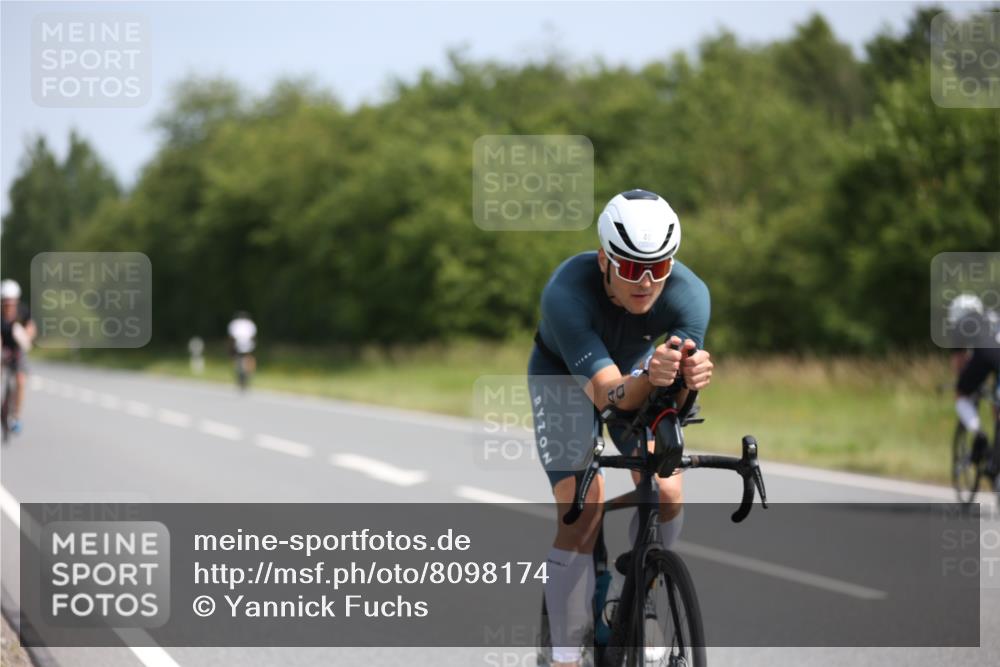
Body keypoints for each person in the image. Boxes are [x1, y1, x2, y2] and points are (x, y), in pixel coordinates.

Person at [528, 189, 713, 666]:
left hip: (637, 372)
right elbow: (610, 394)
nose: (646, 282)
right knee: (582, 508)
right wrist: (651, 377)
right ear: (603, 260)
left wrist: (689, 382)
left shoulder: (691, 296)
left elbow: (672, 402)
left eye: (659, 267)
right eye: (631, 268)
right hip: (565, 377)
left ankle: (637, 596)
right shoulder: (566, 293)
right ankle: (564, 655)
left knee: (667, 489)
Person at [947, 293, 1000, 482]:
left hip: (987, 359)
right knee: (997, 401)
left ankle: (979, 434)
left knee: (961, 394)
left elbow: (960, 363)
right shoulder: (993, 317)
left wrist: (963, 382)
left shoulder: (961, 325)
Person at [1, 279, 37, 433]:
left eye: (12, 301)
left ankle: (16, 417)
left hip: (17, 349)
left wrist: (27, 336)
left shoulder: (22, 312)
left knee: (21, 380)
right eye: (6, 302)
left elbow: (31, 328)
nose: (9, 305)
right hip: (2, 347)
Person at [227, 311, 257, 389]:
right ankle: (249, 373)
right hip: (248, 345)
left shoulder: (234, 323)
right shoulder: (250, 324)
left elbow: (231, 337)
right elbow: (253, 337)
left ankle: (238, 374)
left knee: (235, 358)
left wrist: (230, 349)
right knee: (249, 358)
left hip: (237, 344)